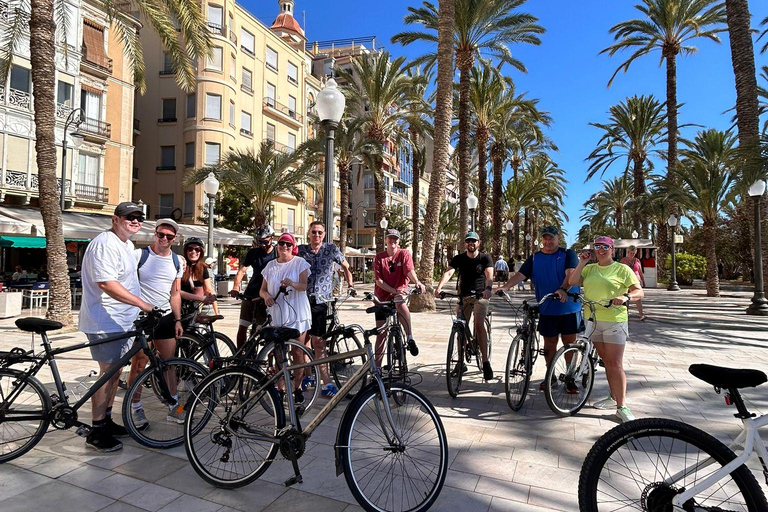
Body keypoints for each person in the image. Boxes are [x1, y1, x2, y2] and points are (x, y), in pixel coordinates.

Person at [79, 202, 155, 452]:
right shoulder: (104, 244)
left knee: (113, 376)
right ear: (115, 219)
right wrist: (142, 304)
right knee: (107, 375)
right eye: (129, 217)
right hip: (105, 321)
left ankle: (107, 421)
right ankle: (97, 431)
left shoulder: (127, 245)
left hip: (122, 322)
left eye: (139, 218)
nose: (135, 221)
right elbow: (107, 284)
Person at [568, 236, 644, 423]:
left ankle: (621, 407)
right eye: (597, 247)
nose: (600, 250)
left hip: (614, 320)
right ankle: (613, 396)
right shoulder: (590, 268)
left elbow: (639, 291)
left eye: (605, 247)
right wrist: (582, 262)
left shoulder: (622, 269)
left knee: (614, 363)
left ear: (612, 249)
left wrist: (625, 296)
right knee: (606, 360)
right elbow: (573, 281)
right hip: (592, 320)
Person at [499, 226, 583, 391]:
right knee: (549, 344)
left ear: (558, 238)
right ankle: (550, 376)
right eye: (545, 238)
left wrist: (562, 289)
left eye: (551, 238)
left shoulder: (568, 254)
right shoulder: (535, 258)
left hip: (569, 307)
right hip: (547, 307)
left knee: (569, 343)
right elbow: (521, 274)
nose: (548, 241)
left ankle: (570, 376)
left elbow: (570, 274)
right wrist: (506, 287)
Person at [123, 219, 185, 429]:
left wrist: (177, 319)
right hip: (142, 318)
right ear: (155, 234)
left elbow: (175, 293)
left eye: (169, 236)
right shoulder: (140, 255)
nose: (164, 239)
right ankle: (136, 407)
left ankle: (174, 406)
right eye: (161, 234)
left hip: (166, 317)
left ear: (174, 238)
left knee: (170, 364)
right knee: (139, 364)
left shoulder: (177, 261)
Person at [298, 220, 354, 397]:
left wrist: (350, 284)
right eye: (314, 232)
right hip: (301, 300)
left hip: (321, 302)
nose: (316, 235)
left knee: (319, 342)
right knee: (302, 342)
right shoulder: (301, 251)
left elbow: (345, 266)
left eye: (320, 232)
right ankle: (307, 376)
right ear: (309, 233)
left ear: (324, 234)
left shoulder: (330, 249)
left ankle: (326, 383)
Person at [434, 231, 494, 381]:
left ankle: (485, 362)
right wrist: (439, 287)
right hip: (463, 297)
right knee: (460, 326)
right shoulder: (459, 258)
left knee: (479, 324)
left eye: (473, 241)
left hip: (480, 296)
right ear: (465, 243)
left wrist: (488, 289)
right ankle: (460, 363)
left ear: (478, 243)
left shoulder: (484, 258)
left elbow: (489, 275)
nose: (471, 244)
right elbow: (449, 273)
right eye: (468, 241)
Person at [260, 232, 311, 402]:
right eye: (281, 243)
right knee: (279, 353)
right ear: (277, 245)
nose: (284, 247)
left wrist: (292, 283)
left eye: (288, 244)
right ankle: (280, 388)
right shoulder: (270, 266)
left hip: (297, 313)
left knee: (297, 352)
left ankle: (297, 387)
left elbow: (303, 286)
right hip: (278, 313)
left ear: (293, 246)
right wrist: (265, 296)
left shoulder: (300, 263)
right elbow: (263, 289)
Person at [373, 229, 426, 366]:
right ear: (385, 240)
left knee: (399, 301)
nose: (392, 241)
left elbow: (409, 271)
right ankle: (376, 369)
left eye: (395, 239)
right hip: (382, 295)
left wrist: (417, 282)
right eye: (390, 238)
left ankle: (409, 337)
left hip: (400, 291)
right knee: (381, 334)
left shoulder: (404, 254)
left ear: (399, 241)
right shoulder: (379, 257)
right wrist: (393, 290)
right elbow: (379, 281)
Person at [230, 225, 276, 348]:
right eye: (259, 241)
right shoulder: (253, 253)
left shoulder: (277, 253)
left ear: (272, 238)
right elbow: (242, 271)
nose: (262, 245)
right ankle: (239, 357)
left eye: (265, 241)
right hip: (251, 293)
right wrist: (235, 287)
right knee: (242, 326)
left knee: (267, 330)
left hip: (268, 295)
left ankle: (270, 363)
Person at [180, 237, 218, 315]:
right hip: (178, 307)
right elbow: (176, 291)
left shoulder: (203, 268)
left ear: (201, 252)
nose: (193, 252)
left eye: (197, 250)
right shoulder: (180, 266)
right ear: (186, 251)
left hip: (194, 308)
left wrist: (212, 296)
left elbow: (208, 289)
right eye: (190, 249)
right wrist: (200, 298)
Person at [620, 245, 647, 321]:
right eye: (631, 253)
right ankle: (625, 314)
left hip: (636, 281)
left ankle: (641, 315)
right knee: (626, 297)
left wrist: (643, 281)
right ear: (628, 252)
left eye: (633, 253)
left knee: (638, 298)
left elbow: (640, 272)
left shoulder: (637, 261)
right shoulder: (623, 261)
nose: (632, 255)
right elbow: (620, 272)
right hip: (627, 281)